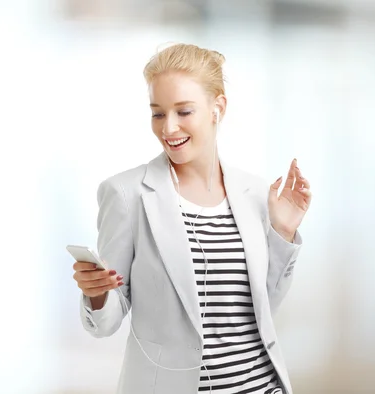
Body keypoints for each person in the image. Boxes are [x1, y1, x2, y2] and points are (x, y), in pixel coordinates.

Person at [71, 43, 312, 394]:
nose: (168, 128)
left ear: (218, 107)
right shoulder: (127, 195)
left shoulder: (255, 194)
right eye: (157, 113)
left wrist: (283, 232)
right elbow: (104, 323)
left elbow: (262, 311)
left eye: (184, 111)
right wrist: (96, 295)